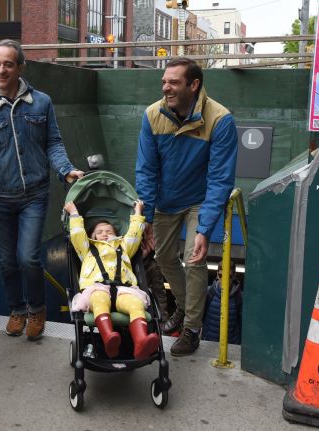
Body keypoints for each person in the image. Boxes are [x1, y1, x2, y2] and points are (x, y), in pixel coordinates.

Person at [0, 39, 83, 341]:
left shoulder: (41, 102)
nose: (1, 70)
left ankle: (37, 309)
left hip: (34, 195)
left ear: (21, 67)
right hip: (1, 197)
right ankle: (16, 310)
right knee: (7, 261)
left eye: (8, 64)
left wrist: (65, 169)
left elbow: (53, 142)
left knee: (28, 257)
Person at [135, 58, 238, 356]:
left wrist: (205, 228)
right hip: (166, 200)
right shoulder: (153, 115)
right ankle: (185, 305)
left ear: (194, 85)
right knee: (164, 256)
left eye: (174, 82)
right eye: (164, 81)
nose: (166, 87)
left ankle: (192, 327)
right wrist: (147, 219)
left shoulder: (220, 119)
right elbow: (146, 170)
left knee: (194, 259)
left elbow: (220, 178)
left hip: (199, 200)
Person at [64, 200, 160, 359]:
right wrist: (74, 212)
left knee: (136, 304)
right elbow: (77, 234)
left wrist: (137, 211)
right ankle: (108, 337)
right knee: (100, 299)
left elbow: (134, 234)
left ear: (117, 234)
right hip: (97, 288)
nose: (105, 233)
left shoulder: (124, 247)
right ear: (92, 236)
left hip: (124, 289)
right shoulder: (87, 249)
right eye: (99, 231)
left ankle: (141, 342)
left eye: (109, 231)